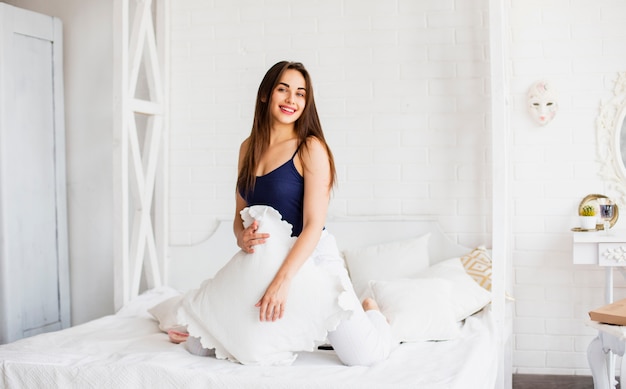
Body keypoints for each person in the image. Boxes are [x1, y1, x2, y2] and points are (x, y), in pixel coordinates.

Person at [232, 61, 394, 366]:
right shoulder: (247, 148)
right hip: (265, 262)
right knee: (210, 344)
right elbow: (239, 215)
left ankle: (371, 311)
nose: (292, 100)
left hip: (312, 259)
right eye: (283, 89)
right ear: (266, 94)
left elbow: (313, 225)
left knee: (363, 357)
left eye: (300, 93)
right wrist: (242, 238)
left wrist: (282, 282)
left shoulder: (310, 148)